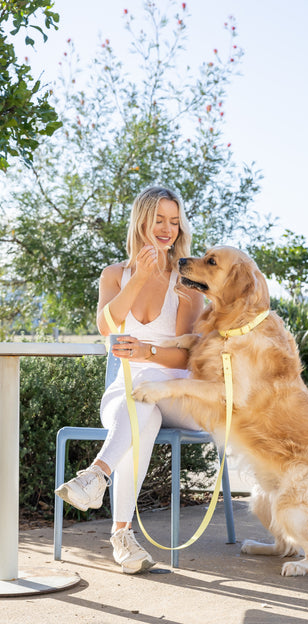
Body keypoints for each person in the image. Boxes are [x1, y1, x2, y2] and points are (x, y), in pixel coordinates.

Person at [55, 186, 204, 573]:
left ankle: (95, 475)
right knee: (141, 411)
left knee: (150, 388)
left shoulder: (187, 283)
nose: (168, 228)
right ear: (141, 220)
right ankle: (122, 538)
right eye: (159, 219)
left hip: (177, 394)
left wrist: (147, 353)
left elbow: (189, 354)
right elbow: (106, 326)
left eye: (174, 221)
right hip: (125, 396)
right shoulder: (114, 275)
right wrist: (137, 278)